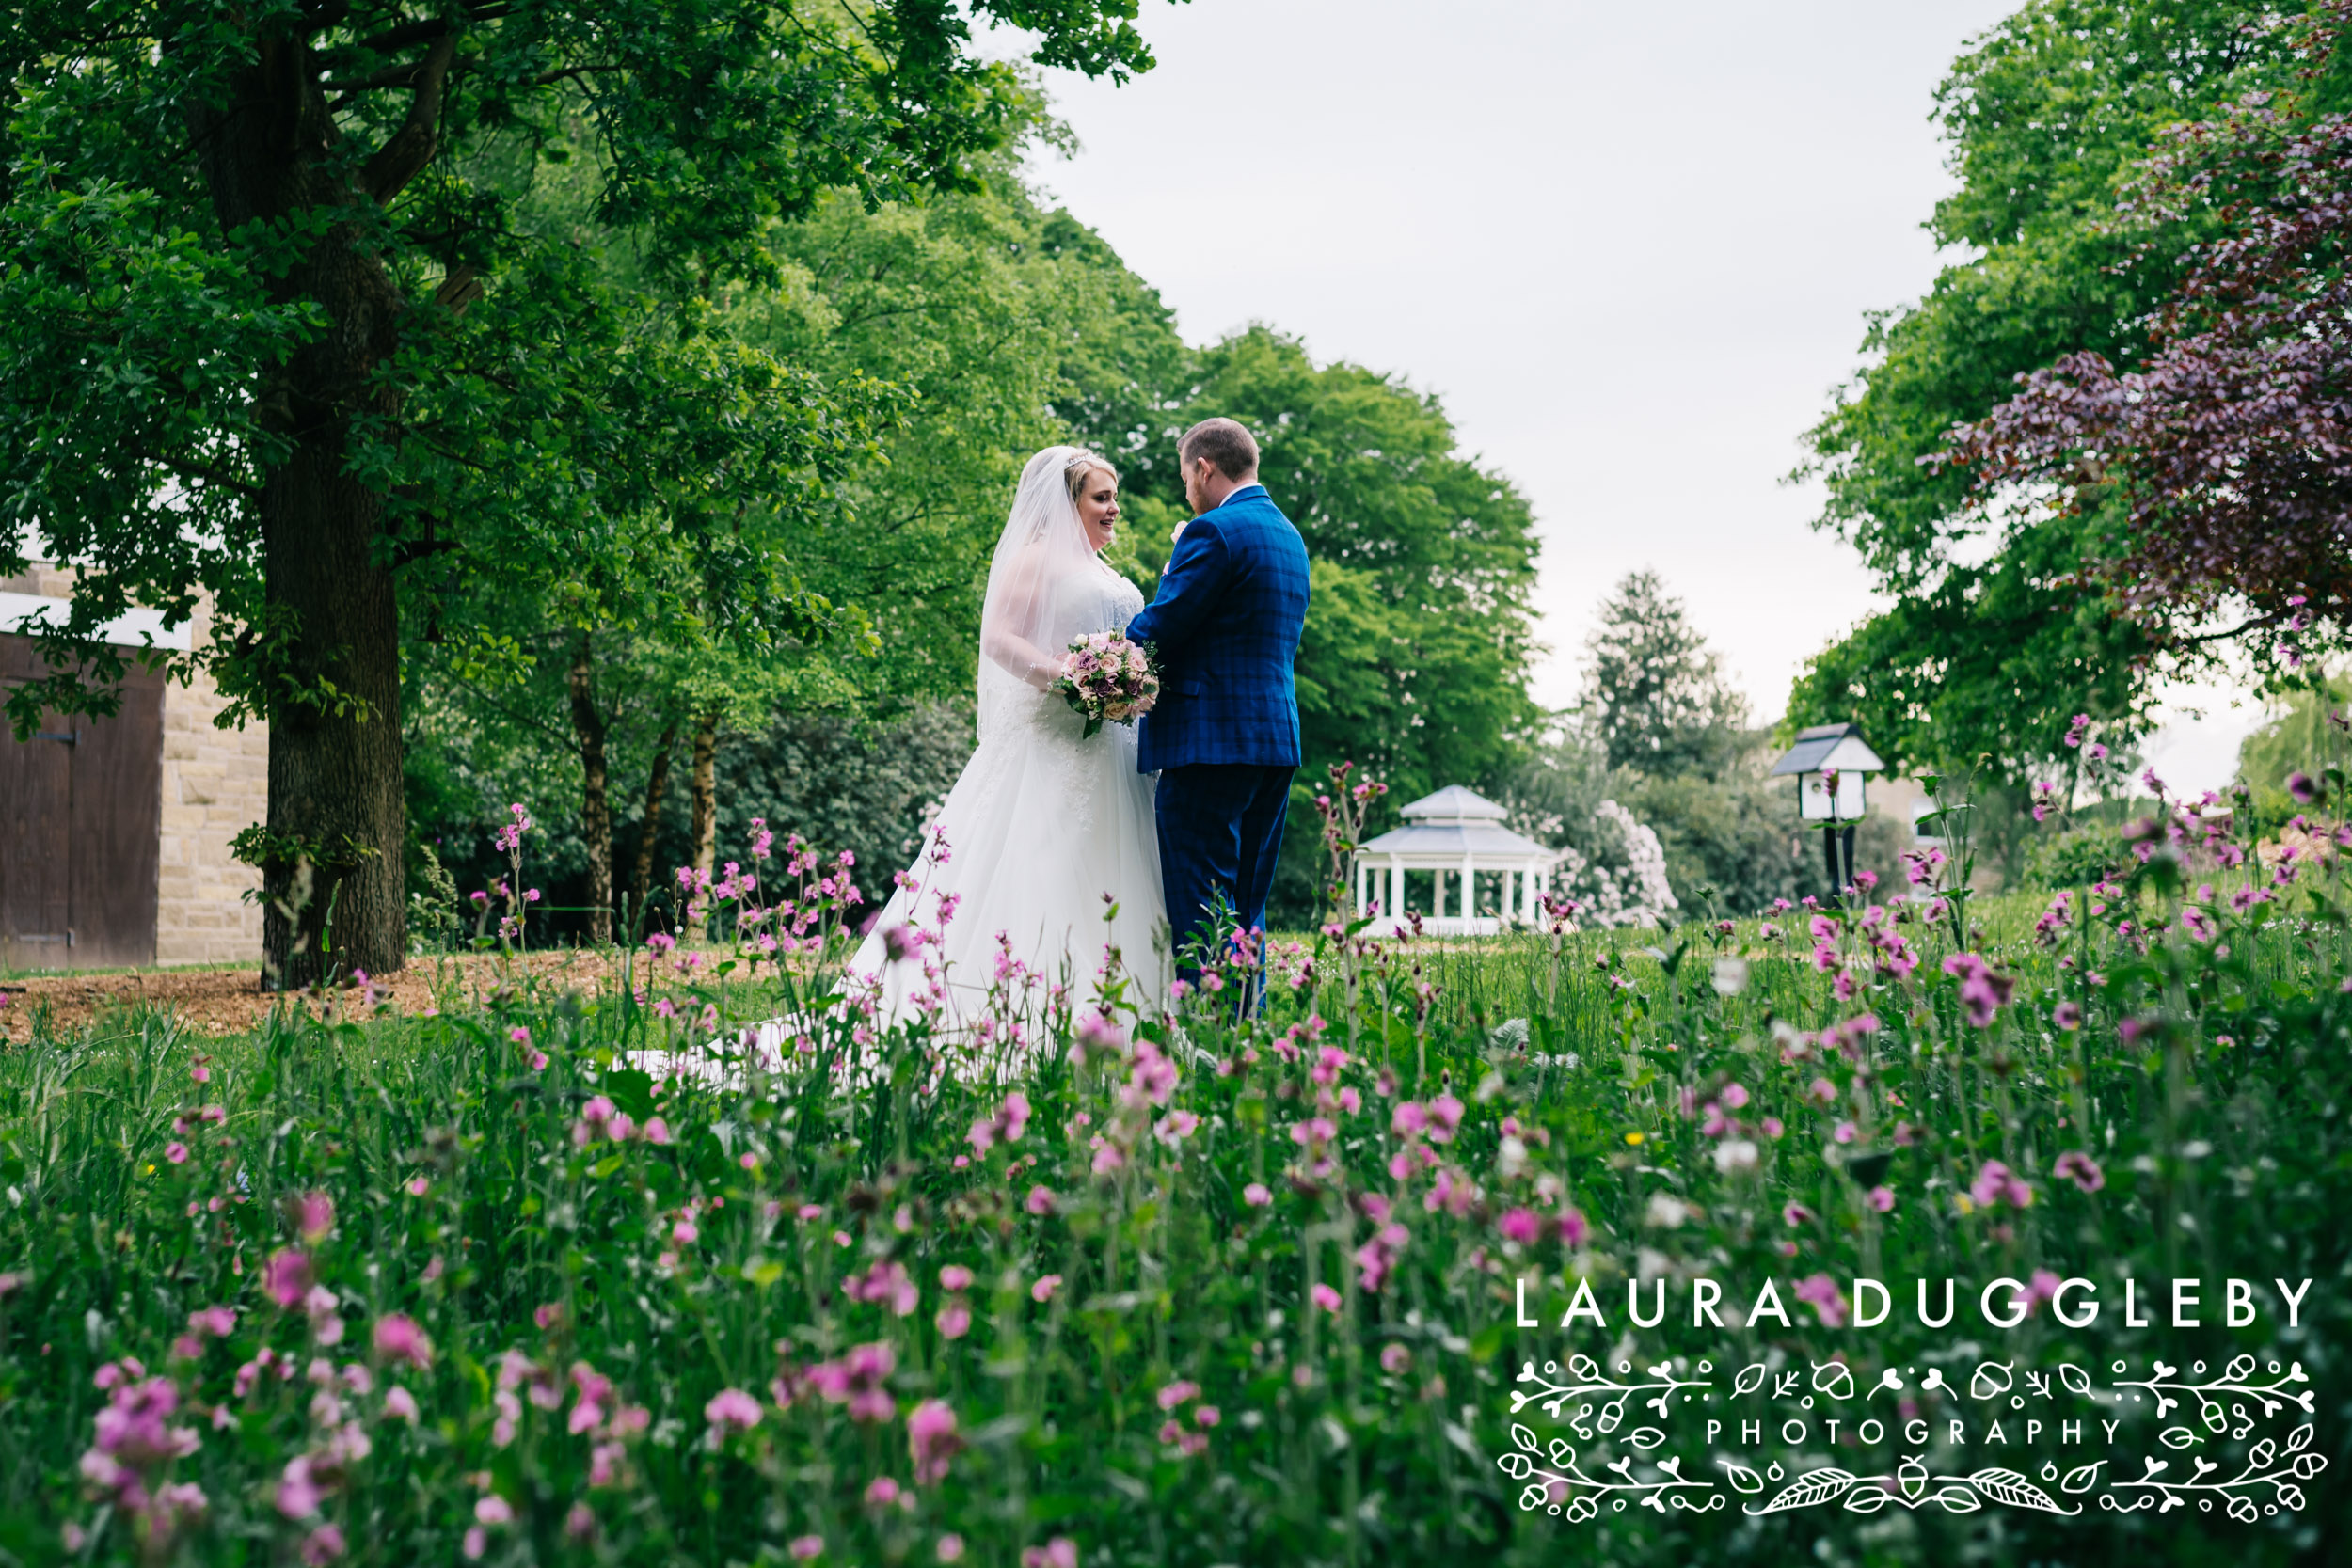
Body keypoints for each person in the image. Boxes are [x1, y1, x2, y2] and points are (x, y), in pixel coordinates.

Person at [844, 446, 1169, 1037]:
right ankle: (1025, 1015)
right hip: (1051, 738)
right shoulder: (1036, 558)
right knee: (1044, 862)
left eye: (1113, 496)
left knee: (1115, 871)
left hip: (1115, 746)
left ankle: (1125, 1019)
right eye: (1102, 497)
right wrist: (1072, 680)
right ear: (1066, 502)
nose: (1114, 508)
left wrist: (1128, 686)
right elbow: (999, 640)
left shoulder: (1103, 570)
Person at [1123, 418, 1311, 991]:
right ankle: (1242, 1046)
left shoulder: (1212, 533)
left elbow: (1159, 628)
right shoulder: (1289, 536)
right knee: (1244, 911)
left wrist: (1132, 619)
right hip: (1273, 743)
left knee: (1202, 907)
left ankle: (1210, 1046)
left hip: (1209, 745)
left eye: (1186, 477)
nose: (1187, 491)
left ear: (1204, 468)